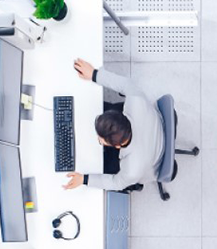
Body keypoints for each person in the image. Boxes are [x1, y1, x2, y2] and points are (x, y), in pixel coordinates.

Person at [62, 58, 165, 191]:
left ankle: (135, 186)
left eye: (101, 140)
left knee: (106, 166)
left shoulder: (132, 169)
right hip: (152, 126)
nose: (98, 139)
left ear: (117, 146)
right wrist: (94, 74)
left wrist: (84, 179)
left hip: (151, 160)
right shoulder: (135, 101)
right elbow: (126, 84)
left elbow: (116, 183)